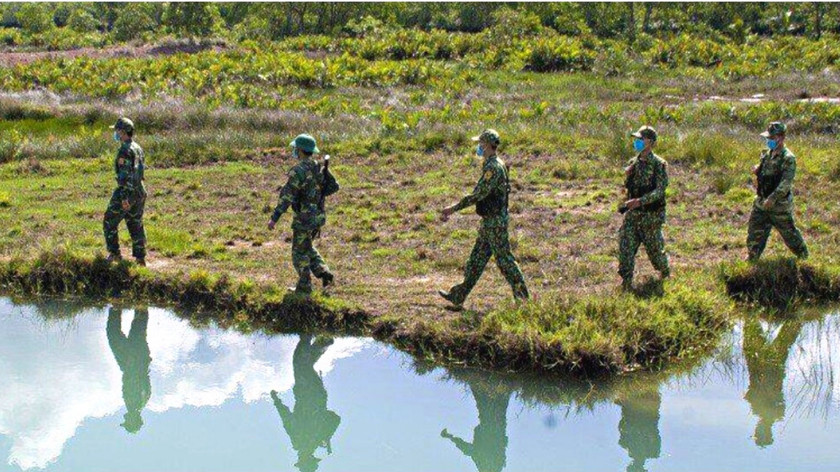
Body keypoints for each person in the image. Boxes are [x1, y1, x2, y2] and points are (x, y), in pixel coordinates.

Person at [438, 129, 529, 309]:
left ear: (487, 145)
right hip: (490, 221)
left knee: (505, 261)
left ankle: (523, 301)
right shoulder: (495, 164)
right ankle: (458, 296)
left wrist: (453, 208)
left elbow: (477, 195)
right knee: (476, 260)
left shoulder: (493, 168)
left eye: (480, 144)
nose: (478, 147)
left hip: (495, 222)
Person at [267, 134, 339, 295]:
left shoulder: (298, 171)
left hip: (304, 218)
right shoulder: (319, 167)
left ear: (299, 150)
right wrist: (317, 195)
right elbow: (334, 187)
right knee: (306, 246)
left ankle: (304, 287)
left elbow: (286, 196)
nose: (294, 151)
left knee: (298, 253)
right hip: (318, 216)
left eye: (295, 149)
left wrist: (274, 218)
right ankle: (324, 272)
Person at [271, 335, 341, 472]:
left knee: (304, 364)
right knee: (299, 363)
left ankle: (323, 340)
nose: (299, 457)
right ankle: (310, 334)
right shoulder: (300, 441)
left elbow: (335, 418)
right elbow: (286, 418)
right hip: (306, 392)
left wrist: (327, 435)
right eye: (301, 460)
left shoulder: (318, 439)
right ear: (303, 459)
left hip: (317, 394)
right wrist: (276, 401)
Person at [746, 122, 809, 261]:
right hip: (762, 200)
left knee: (789, 234)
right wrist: (758, 169)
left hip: (778, 205)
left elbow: (785, 183)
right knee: (755, 231)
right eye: (768, 137)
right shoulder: (766, 154)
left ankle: (803, 257)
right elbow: (764, 171)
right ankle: (752, 257)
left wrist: (773, 198)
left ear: (781, 138)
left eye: (772, 137)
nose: (769, 140)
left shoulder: (788, 158)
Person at [618, 126, 671, 291]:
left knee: (655, 253)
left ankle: (665, 275)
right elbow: (627, 189)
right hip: (633, 216)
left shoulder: (659, 165)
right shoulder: (632, 163)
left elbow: (660, 191)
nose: (637, 142)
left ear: (651, 142)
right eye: (636, 139)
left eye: (641, 139)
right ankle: (626, 283)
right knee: (625, 248)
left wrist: (641, 201)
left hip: (651, 217)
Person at [743, 317, 802, 447]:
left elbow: (753, 393)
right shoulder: (771, 412)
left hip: (763, 370)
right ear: (765, 431)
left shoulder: (771, 413)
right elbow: (762, 393)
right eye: (758, 431)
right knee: (781, 342)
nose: (756, 428)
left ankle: (751, 314)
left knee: (779, 342)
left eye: (756, 431)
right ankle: (797, 315)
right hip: (768, 371)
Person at [441, 377, 511, 472]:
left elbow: (468, 449)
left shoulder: (486, 464)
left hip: (493, 424)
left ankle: (480, 377)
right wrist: (450, 438)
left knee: (496, 396)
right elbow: (468, 450)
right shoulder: (487, 464)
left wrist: (451, 438)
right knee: (491, 396)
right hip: (492, 424)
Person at [104, 117, 147, 266]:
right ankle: (140, 258)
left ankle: (115, 253)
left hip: (127, 191)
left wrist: (123, 197)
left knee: (109, 220)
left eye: (117, 130)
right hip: (140, 190)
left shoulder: (124, 150)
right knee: (135, 223)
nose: (115, 134)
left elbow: (124, 176)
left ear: (122, 132)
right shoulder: (137, 147)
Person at [107, 306, 151, 434]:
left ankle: (138, 301)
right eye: (127, 422)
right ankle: (118, 302)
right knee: (114, 333)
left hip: (136, 360)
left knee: (138, 328)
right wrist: (132, 363)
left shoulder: (140, 403)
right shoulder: (136, 403)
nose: (124, 418)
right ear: (133, 420)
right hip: (131, 362)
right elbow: (138, 380)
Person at [615, 387, 662, 472]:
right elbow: (655, 434)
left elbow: (622, 425)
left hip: (640, 412)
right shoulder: (653, 451)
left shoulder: (624, 442)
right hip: (645, 413)